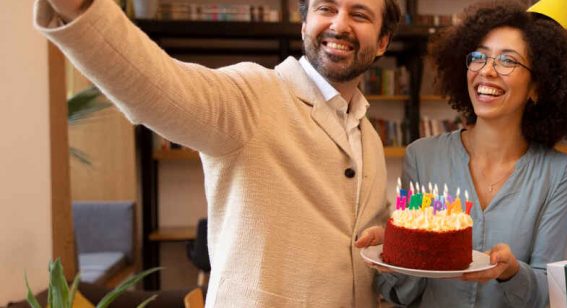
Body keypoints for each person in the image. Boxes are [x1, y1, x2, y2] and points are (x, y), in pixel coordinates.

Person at [35, 0, 401, 306]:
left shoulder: (368, 134)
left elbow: (368, 229)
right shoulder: (253, 94)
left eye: (359, 14)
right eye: (326, 9)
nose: (339, 24)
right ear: (305, 24)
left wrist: (386, 235)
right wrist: (80, 9)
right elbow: (158, 85)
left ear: (383, 41)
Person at [353, 0, 567, 306]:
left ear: (537, 86)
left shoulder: (560, 173)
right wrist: (396, 249)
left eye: (508, 60)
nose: (486, 71)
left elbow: (547, 292)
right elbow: (401, 292)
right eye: (479, 57)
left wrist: (512, 273)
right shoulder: (422, 157)